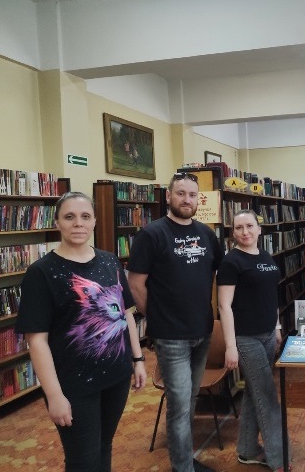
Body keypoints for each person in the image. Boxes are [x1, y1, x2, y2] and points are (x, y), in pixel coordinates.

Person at [15, 191, 147, 471]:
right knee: (83, 461)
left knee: (104, 446)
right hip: (73, 385)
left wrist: (137, 360)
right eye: (69, 217)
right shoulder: (41, 272)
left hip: (116, 376)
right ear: (57, 222)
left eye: (85, 216)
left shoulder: (110, 261)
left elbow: (126, 314)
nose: (78, 223)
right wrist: (54, 396)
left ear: (95, 221)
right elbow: (36, 341)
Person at [127, 172, 222, 472]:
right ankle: (182, 468)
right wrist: (157, 317)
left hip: (202, 331)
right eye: (180, 193)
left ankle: (185, 460)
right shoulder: (152, 234)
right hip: (171, 337)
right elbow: (136, 285)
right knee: (179, 406)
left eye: (192, 195)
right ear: (168, 196)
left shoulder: (206, 234)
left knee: (190, 400)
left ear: (198, 199)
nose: (187, 200)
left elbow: (218, 274)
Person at [216, 209, 290, 472]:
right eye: (238, 228)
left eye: (249, 226)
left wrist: (277, 326)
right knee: (267, 395)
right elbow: (224, 306)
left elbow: (271, 294)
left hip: (268, 334)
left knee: (253, 392)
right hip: (245, 338)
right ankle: (279, 459)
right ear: (233, 233)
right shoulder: (231, 262)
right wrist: (231, 346)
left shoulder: (266, 256)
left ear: (259, 229)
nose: (244, 232)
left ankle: (247, 449)